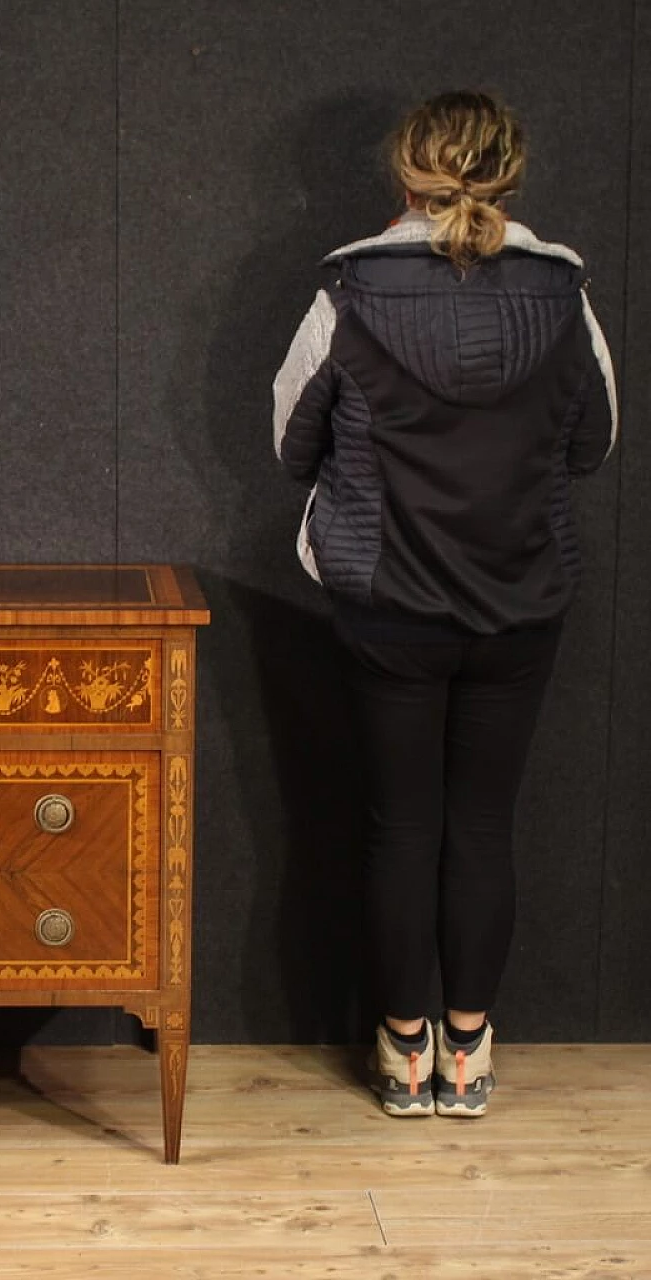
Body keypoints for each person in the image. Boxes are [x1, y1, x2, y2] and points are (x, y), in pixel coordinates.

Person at [272, 91, 618, 1117]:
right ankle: (466, 1053)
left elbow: (291, 444)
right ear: (509, 174)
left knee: (399, 827)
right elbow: (592, 443)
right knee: (480, 827)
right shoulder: (564, 294)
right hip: (518, 601)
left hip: (388, 604)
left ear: (404, 174)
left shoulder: (348, 290)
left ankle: (401, 1046)